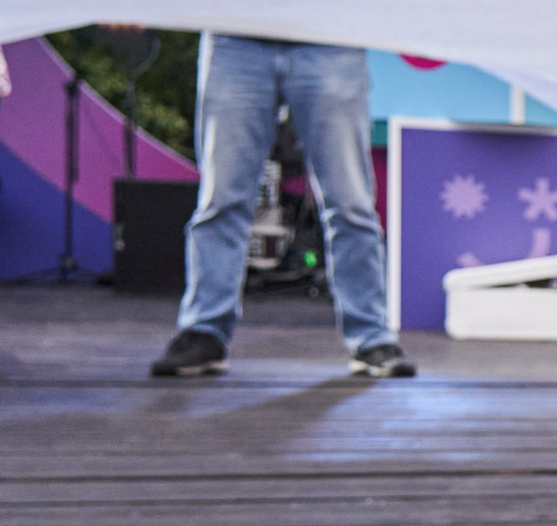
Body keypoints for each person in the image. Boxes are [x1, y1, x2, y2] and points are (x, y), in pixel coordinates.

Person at [150, 34, 413, 379]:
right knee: (222, 199)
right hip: (236, 39)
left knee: (351, 204)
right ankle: (204, 330)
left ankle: (372, 337)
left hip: (330, 37)